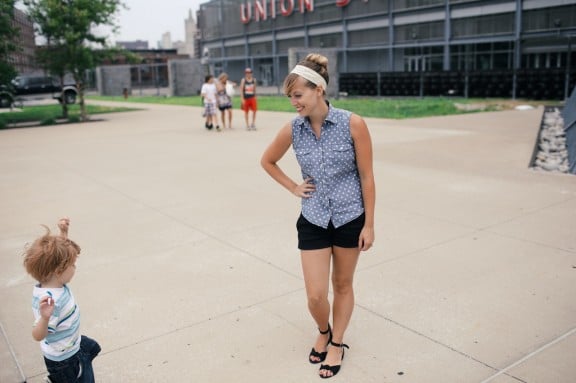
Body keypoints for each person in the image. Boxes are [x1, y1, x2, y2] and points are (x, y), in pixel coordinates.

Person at [260, 53, 375, 379]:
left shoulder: (354, 124)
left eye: (298, 95)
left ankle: (336, 343)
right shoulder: (292, 130)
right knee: (314, 295)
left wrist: (369, 224)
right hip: (313, 217)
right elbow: (267, 161)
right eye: (290, 97)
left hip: (350, 216)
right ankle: (322, 329)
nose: (294, 102)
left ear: (318, 90)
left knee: (342, 283)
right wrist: (293, 187)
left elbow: (367, 176)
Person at [23, 217, 101, 383]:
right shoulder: (51, 302)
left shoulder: (51, 279)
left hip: (70, 345)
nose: (75, 267)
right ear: (59, 271)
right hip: (64, 360)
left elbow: (60, 257)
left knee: (90, 353)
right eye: (72, 265)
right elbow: (37, 335)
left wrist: (63, 233)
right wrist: (44, 318)